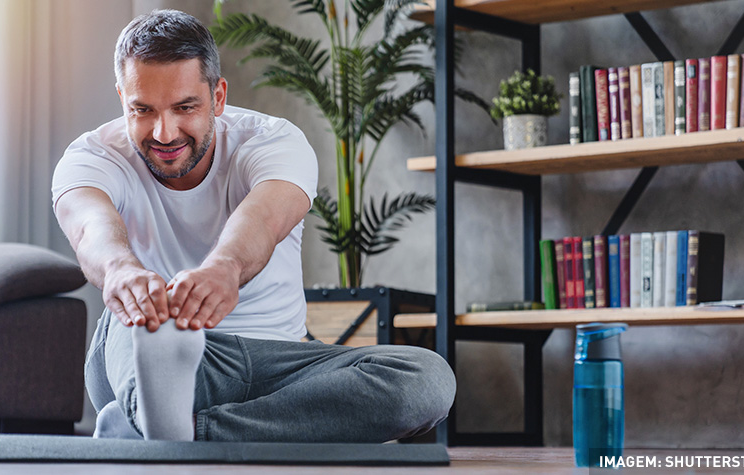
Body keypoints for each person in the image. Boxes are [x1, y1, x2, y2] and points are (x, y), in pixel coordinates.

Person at [51, 9, 455, 443]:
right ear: (122, 98)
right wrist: (120, 272)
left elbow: (263, 216)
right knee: (133, 321)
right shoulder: (92, 155)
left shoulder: (274, 141)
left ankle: (164, 434)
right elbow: (92, 227)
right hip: (148, 346)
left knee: (425, 379)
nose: (164, 132)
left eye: (185, 107)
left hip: (275, 362)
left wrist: (224, 268)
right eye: (142, 110)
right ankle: (163, 414)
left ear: (218, 96)